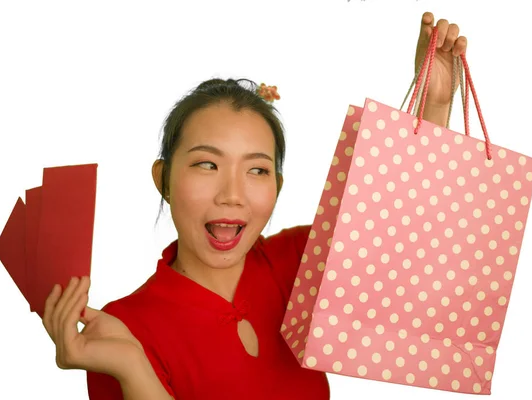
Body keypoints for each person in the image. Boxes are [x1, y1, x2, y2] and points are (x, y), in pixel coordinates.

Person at [42, 12, 469, 400]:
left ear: (278, 187)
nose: (233, 194)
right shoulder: (119, 330)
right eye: (207, 164)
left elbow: (403, 237)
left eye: (257, 171)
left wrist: (433, 104)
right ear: (163, 180)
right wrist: (132, 369)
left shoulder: (299, 261)